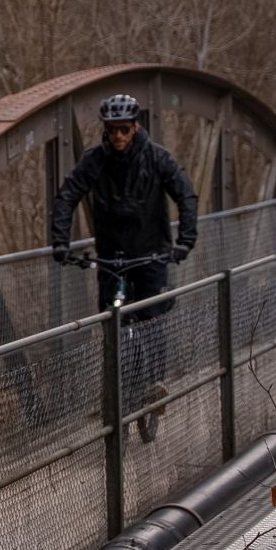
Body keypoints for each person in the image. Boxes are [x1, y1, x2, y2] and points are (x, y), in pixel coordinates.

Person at [47, 94, 198, 425]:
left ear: (136, 127)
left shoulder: (158, 159)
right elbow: (67, 196)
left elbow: (185, 195)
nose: (118, 136)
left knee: (152, 316)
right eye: (112, 130)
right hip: (111, 258)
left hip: (152, 255)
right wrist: (60, 243)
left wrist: (185, 242)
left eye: (124, 130)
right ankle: (116, 392)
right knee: (112, 320)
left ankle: (155, 383)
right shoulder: (95, 160)